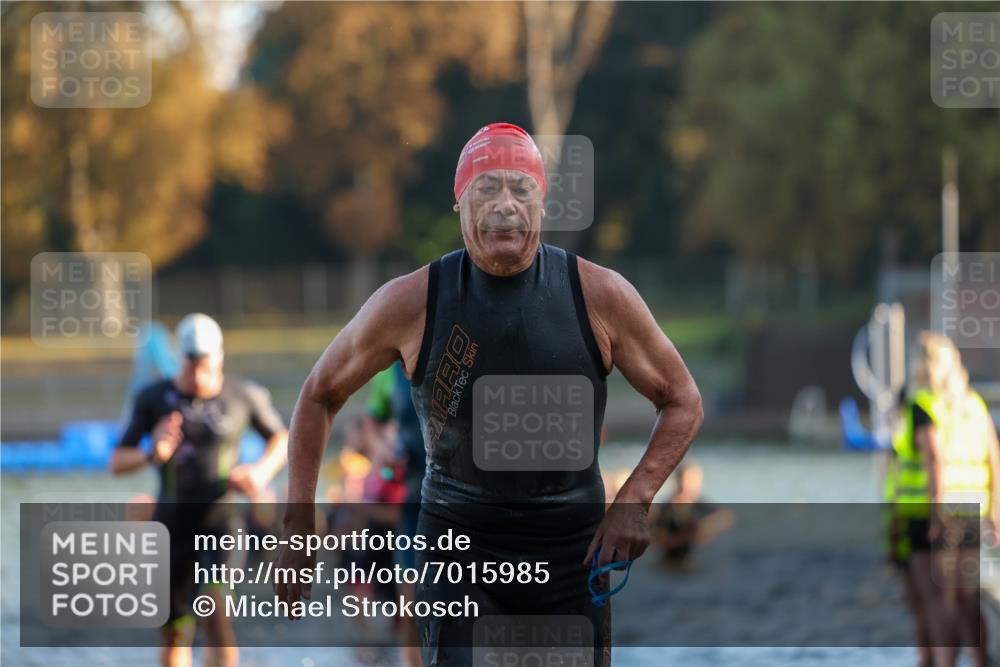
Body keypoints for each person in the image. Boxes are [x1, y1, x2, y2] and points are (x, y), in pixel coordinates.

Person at [275, 122, 703, 667]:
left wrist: (634, 500)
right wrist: (298, 523)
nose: (505, 206)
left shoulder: (599, 295)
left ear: (542, 203)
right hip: (458, 547)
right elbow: (319, 394)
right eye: (486, 189)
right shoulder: (412, 302)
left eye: (521, 190)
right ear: (460, 203)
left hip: (570, 552)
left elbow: (682, 399)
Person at [110, 313, 289, 667]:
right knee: (175, 632)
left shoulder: (243, 395)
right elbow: (116, 461)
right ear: (180, 360)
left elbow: (281, 439)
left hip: (222, 523)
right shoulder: (154, 398)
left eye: (205, 367)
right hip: (172, 525)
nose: (198, 377)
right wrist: (152, 453)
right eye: (191, 367)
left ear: (219, 359)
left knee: (214, 607)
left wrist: (259, 472)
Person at [911, 332, 1000, 667]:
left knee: (944, 597)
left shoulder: (926, 403)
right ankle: (980, 659)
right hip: (973, 505)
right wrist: (995, 510)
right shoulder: (973, 404)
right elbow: (994, 455)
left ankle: (945, 661)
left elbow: (935, 458)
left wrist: (936, 513)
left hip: (948, 507)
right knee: (967, 594)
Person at [366, 361, 425, 667]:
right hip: (414, 500)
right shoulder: (390, 372)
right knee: (411, 607)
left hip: (471, 502)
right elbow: (373, 422)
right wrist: (383, 450)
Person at [651, 461, 733, 570]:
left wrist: (704, 528)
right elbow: (659, 540)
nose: (689, 485)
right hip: (670, 562)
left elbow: (726, 516)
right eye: (686, 480)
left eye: (693, 481)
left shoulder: (699, 504)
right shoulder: (666, 507)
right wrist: (688, 535)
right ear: (678, 481)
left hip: (694, 562)